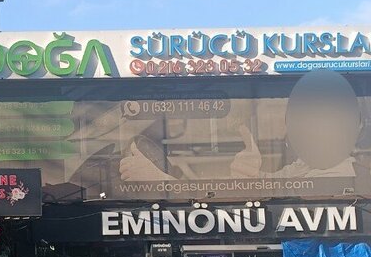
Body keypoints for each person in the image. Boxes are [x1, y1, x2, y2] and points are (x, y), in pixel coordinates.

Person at [120, 69, 363, 181]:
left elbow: (282, 197)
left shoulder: (338, 174)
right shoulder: (304, 166)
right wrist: (254, 177)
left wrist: (157, 180)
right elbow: (276, 187)